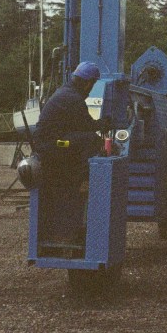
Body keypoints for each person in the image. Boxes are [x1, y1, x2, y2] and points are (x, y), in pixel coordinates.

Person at [33, 61, 110, 243]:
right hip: (53, 145)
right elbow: (87, 125)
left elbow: (78, 124)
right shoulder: (73, 98)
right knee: (91, 140)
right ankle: (84, 177)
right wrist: (105, 124)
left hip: (49, 143)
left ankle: (79, 172)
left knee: (85, 139)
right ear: (88, 83)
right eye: (92, 84)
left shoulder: (65, 92)